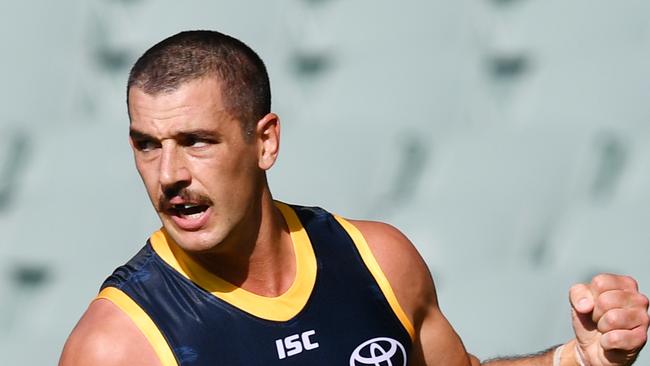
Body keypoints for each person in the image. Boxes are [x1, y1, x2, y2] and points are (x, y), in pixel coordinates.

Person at [59, 30, 649, 366]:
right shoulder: (115, 346)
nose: (169, 175)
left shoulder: (378, 259)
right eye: (147, 145)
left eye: (196, 142)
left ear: (264, 142)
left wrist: (579, 358)